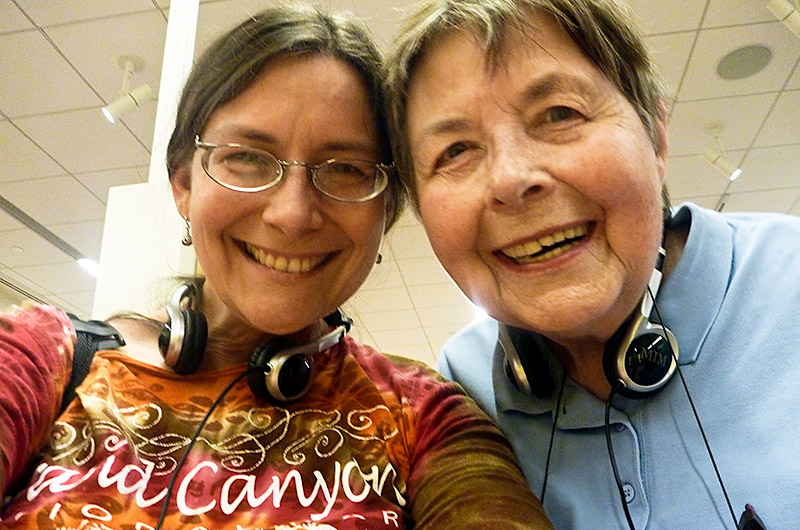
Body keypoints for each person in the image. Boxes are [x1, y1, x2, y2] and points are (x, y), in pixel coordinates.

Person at [0, 4, 554, 529]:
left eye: (344, 168)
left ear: (387, 211)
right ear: (184, 185)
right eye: (245, 157)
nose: (292, 214)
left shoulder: (425, 414)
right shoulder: (45, 355)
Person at [384, 0, 800, 528]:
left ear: (656, 133)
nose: (511, 179)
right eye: (456, 150)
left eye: (560, 114)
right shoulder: (457, 395)